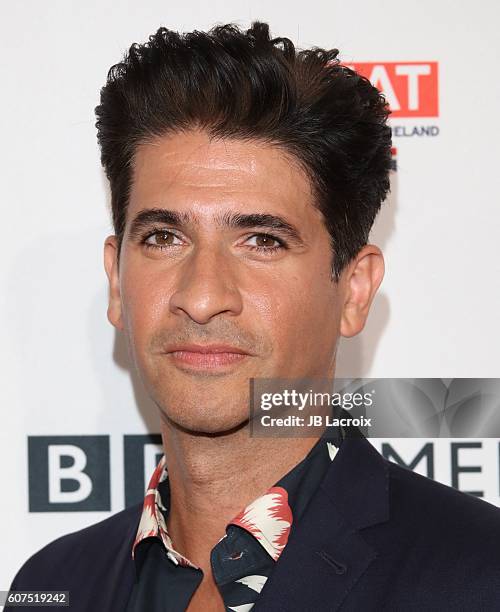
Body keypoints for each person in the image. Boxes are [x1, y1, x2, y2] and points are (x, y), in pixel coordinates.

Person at [6, 20, 500, 612]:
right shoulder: (56, 583)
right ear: (117, 280)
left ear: (355, 290)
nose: (203, 295)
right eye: (164, 237)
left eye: (262, 241)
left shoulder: (480, 575)